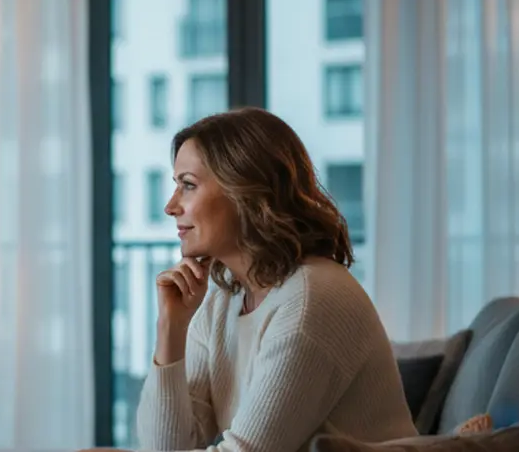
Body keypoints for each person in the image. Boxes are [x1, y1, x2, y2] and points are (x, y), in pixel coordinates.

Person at [107, 108, 416, 452]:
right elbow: (165, 447)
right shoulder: (223, 299)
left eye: (188, 186)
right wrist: (171, 328)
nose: (170, 206)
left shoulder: (311, 299)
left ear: (246, 193)